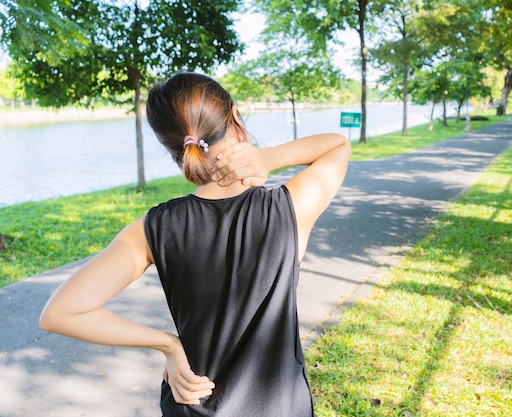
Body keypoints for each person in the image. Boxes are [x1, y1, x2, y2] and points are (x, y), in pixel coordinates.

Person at [39, 72, 351, 416]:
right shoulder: (289, 208)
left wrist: (168, 345)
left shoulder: (152, 228)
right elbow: (338, 145)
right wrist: (268, 157)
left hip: (192, 405)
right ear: (234, 118)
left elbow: (59, 313)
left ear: (174, 147)